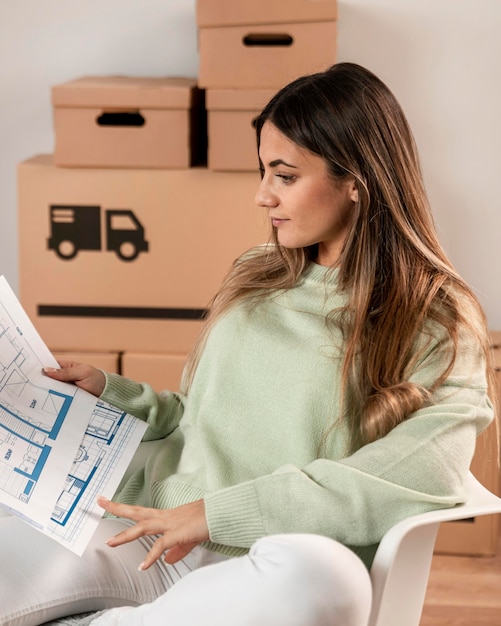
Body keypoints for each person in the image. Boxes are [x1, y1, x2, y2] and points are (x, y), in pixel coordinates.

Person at [0, 62, 495, 626]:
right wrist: (111, 392)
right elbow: (196, 417)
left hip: (268, 561)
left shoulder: (436, 318)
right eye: (262, 171)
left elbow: (423, 473)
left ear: (357, 179)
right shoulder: (258, 272)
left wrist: (216, 515)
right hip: (150, 533)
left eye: (284, 176)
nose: (263, 196)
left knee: (325, 577)